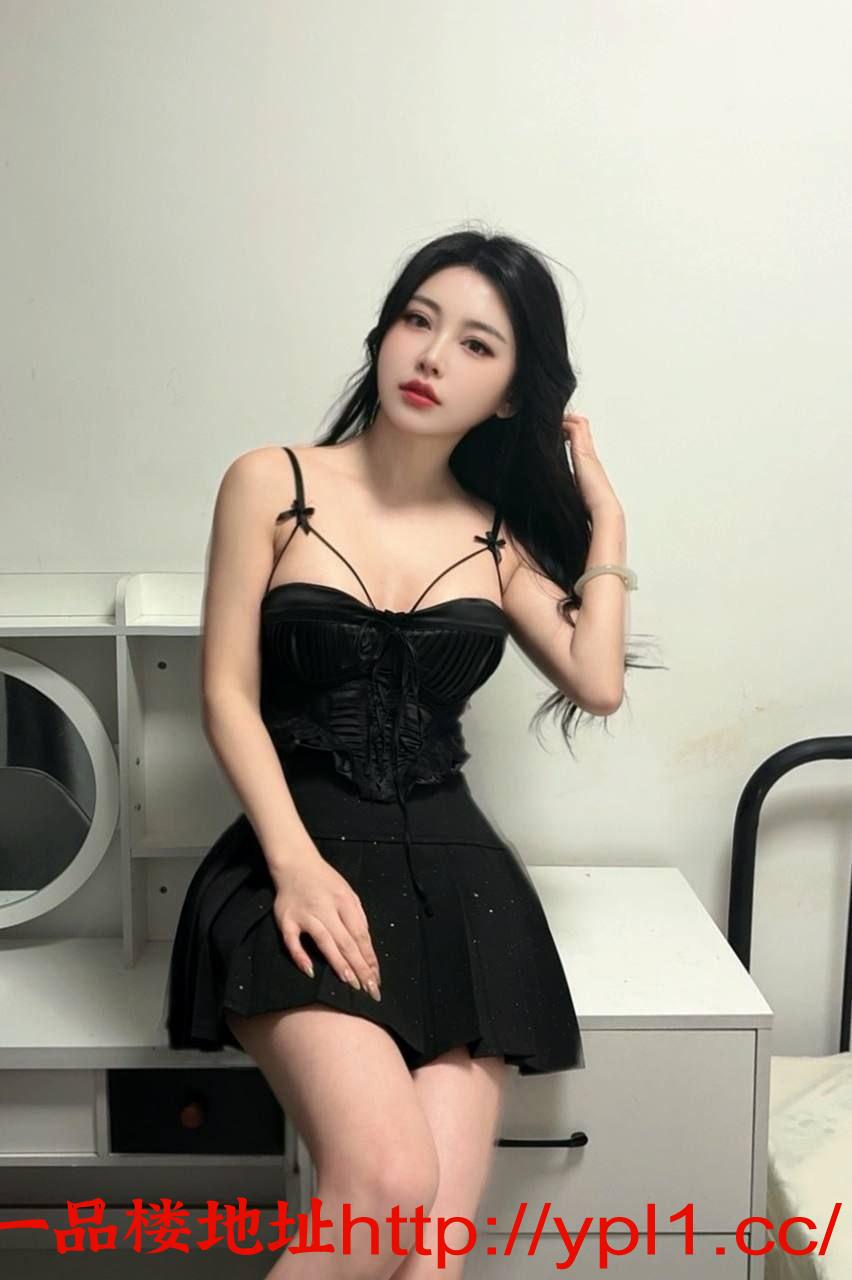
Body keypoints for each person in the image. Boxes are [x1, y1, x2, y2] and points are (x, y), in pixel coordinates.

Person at [165, 227, 658, 1278]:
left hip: (461, 887)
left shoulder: (493, 536)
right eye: (417, 321)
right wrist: (296, 866)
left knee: (432, 1256)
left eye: (477, 344)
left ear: (513, 395)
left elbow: (598, 681)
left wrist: (606, 519)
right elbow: (226, 695)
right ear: (384, 333)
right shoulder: (270, 481)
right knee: (387, 1188)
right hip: (296, 858)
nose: (432, 356)